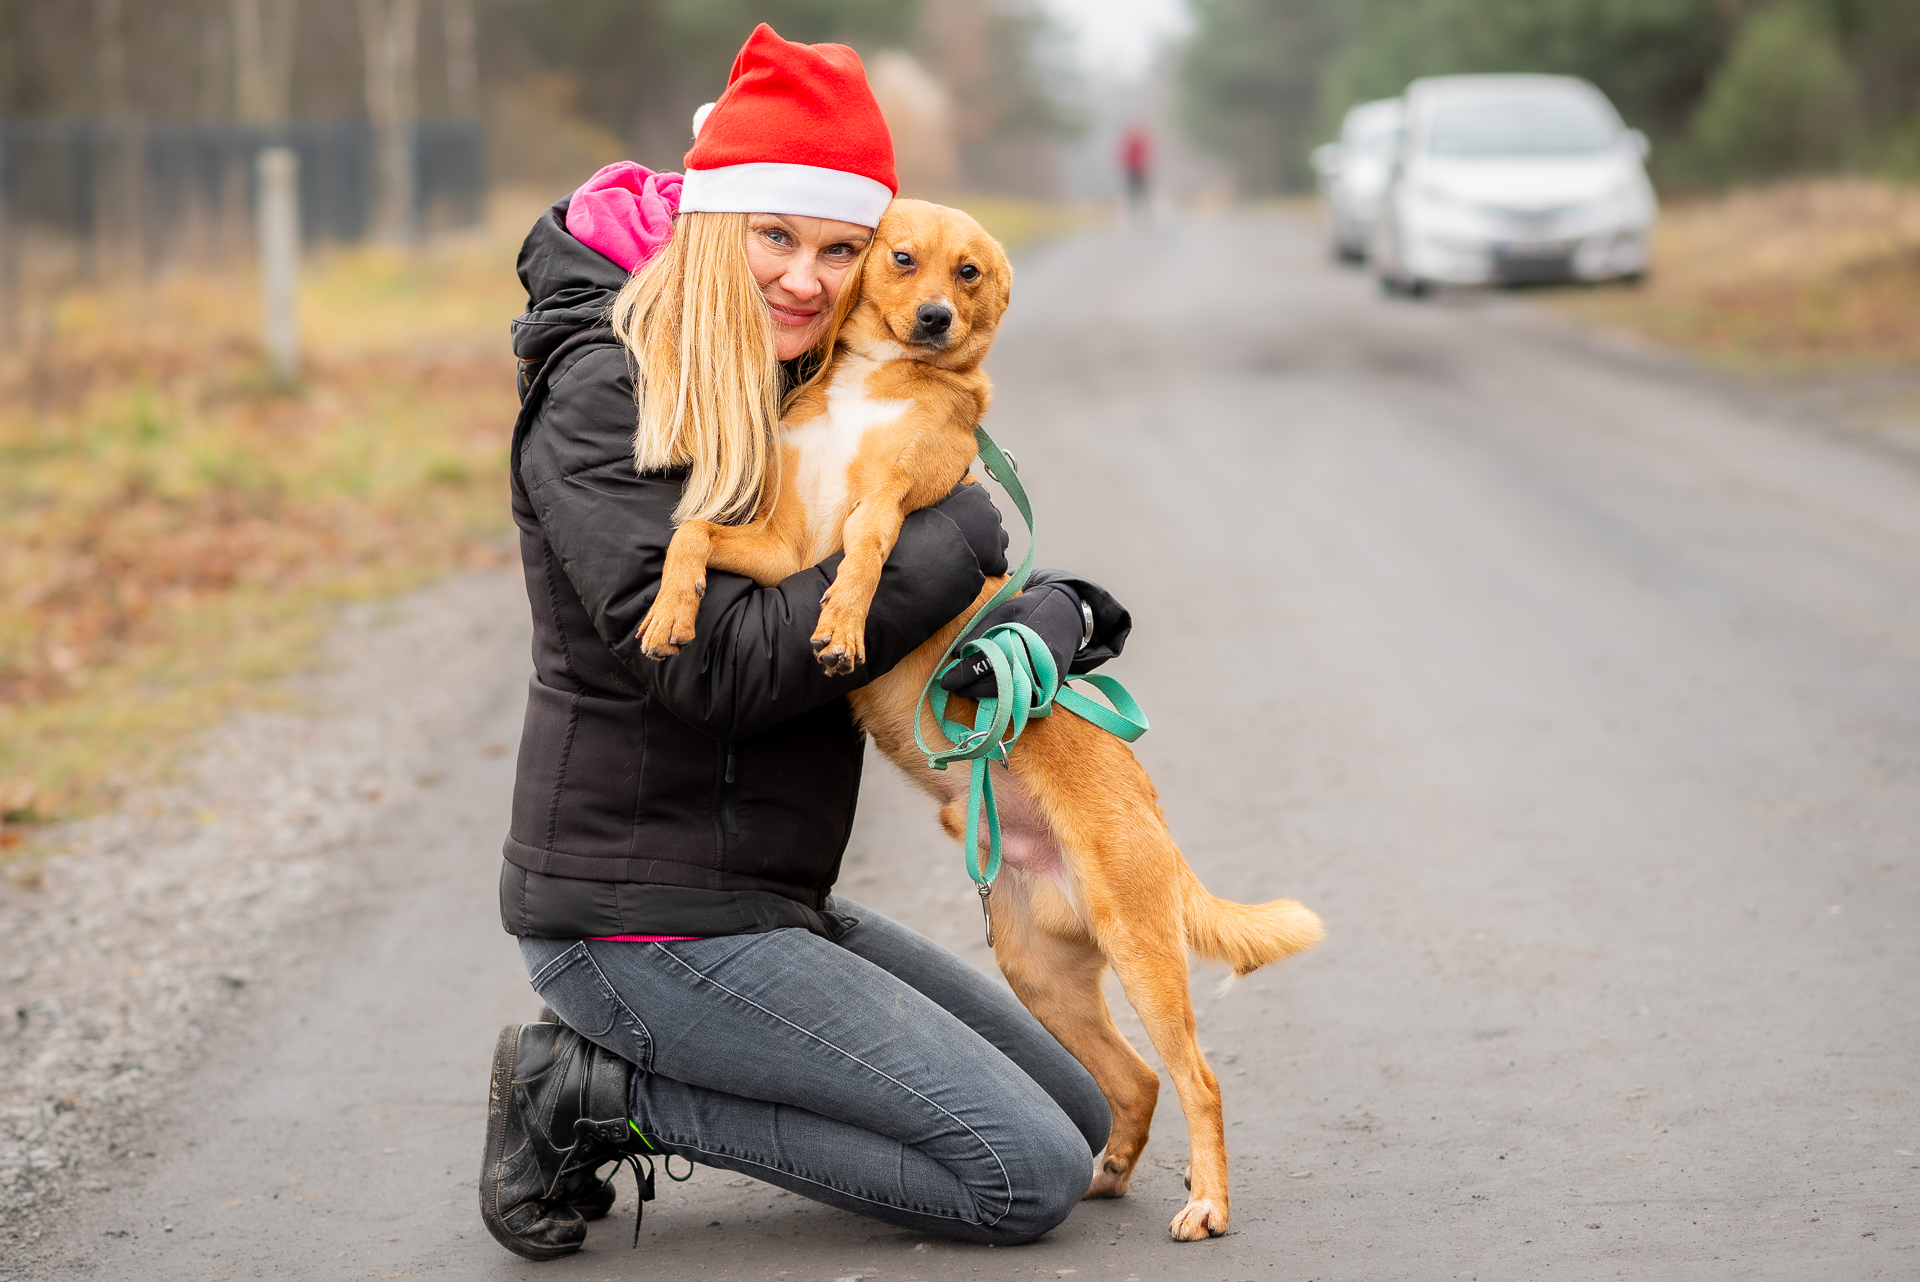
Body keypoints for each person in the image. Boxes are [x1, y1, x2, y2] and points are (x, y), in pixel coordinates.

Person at [481, 25, 1132, 1261]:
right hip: (636, 921)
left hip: (766, 896)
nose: (805, 277)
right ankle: (587, 1093)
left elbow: (881, 594)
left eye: (840, 249)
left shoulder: (799, 369)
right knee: (1025, 1173)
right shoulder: (601, 391)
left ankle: (724, 1053)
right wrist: (944, 547)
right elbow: (716, 669)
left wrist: (1028, 618)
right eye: (775, 236)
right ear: (713, 224)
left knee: (1085, 1106)